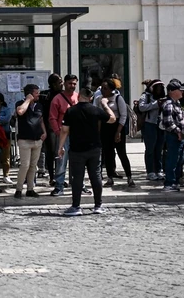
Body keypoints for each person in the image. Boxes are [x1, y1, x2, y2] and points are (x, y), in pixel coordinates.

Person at [58, 85, 117, 216]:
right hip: (94, 148)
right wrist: (105, 105)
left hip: (77, 149)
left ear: (79, 97)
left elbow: (64, 130)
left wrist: (61, 147)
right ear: (90, 98)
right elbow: (112, 119)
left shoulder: (71, 111)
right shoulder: (95, 110)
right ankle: (98, 205)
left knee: (77, 178)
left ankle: (76, 206)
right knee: (96, 176)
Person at [96, 79, 134, 187]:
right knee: (108, 154)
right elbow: (98, 116)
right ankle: (110, 177)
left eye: (105, 88)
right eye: (102, 88)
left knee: (122, 153)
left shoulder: (118, 98)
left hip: (117, 126)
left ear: (112, 89)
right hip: (105, 127)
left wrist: (118, 131)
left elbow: (123, 115)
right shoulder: (100, 99)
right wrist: (98, 131)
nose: (103, 90)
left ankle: (129, 177)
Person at [14, 83, 47, 198]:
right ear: (30, 94)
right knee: (25, 165)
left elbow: (41, 119)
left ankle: (30, 189)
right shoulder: (20, 104)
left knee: (33, 166)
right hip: (24, 140)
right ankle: (18, 189)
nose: (39, 95)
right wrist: (28, 100)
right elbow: (20, 112)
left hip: (37, 140)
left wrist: (44, 132)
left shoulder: (39, 106)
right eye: (36, 93)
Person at [48, 75, 79, 196]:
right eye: (70, 83)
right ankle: (59, 186)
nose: (72, 86)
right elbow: (52, 118)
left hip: (77, 135)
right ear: (65, 83)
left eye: (74, 84)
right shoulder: (57, 99)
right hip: (63, 135)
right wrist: (57, 132)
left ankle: (79, 185)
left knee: (78, 161)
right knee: (61, 161)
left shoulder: (78, 97)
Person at [159, 79, 184, 192]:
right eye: (179, 90)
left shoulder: (177, 103)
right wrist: (178, 132)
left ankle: (175, 181)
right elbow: (168, 122)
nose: (182, 92)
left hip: (179, 136)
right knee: (172, 159)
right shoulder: (169, 104)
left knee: (178, 160)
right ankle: (169, 183)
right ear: (171, 91)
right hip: (173, 136)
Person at [137, 80, 166, 180]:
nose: (159, 90)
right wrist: (156, 104)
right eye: (157, 88)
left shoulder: (163, 98)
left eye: (160, 88)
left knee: (159, 149)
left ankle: (159, 170)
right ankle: (150, 171)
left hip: (161, 125)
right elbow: (141, 107)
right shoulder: (146, 96)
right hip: (149, 124)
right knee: (150, 149)